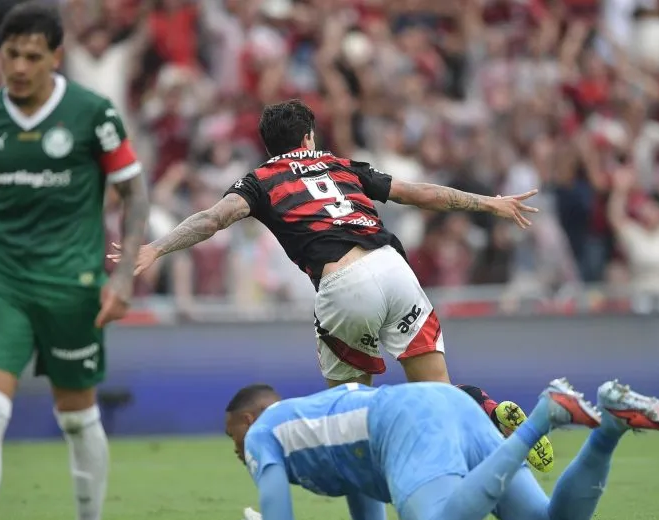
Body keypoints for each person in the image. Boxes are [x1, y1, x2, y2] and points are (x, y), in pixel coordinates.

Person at [109, 100, 539, 388]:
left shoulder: (259, 180)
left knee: (349, 418)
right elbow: (418, 193)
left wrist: (154, 249)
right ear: (308, 137)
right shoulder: (339, 164)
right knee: (437, 397)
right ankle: (466, 453)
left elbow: (213, 219)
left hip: (345, 284)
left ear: (268, 146)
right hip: (394, 269)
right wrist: (490, 202)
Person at [0, 3, 151, 520]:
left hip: (72, 286)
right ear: (0, 54)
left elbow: (134, 194)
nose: (21, 66)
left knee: (77, 418)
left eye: (34, 56)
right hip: (3, 284)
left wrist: (123, 275)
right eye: (12, 54)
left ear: (56, 57)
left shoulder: (91, 114)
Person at [223, 378, 659, 520]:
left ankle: (544, 414)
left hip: (403, 421)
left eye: (233, 437)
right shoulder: (313, 429)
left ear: (248, 420)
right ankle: (610, 427)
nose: (237, 451)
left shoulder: (264, 434)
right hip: (444, 403)